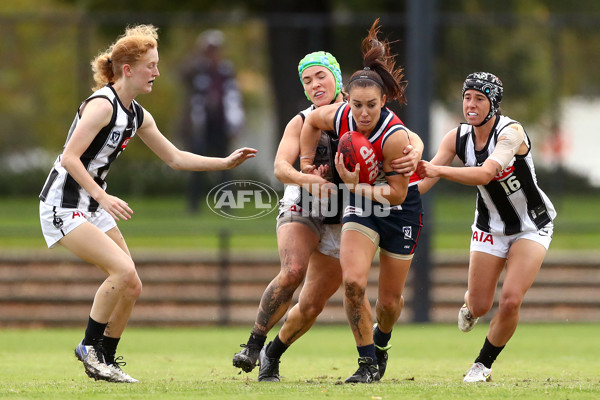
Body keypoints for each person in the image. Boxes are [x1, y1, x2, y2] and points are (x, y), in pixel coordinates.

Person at [38, 24, 256, 383]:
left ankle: (104, 360)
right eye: (150, 65)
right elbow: (69, 158)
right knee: (121, 272)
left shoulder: (137, 114)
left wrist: (224, 162)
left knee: (133, 284)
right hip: (62, 205)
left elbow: (175, 157)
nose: (157, 72)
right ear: (128, 69)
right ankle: (89, 347)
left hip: (90, 205)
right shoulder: (101, 105)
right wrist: (103, 196)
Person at [232, 50, 422, 381]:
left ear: (337, 80)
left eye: (321, 76)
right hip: (307, 202)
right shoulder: (309, 118)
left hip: (348, 207)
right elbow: (280, 167)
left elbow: (402, 136)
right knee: (293, 271)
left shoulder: (362, 111)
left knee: (312, 304)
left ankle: (271, 354)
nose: (315, 84)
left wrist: (415, 148)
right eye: (307, 80)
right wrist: (307, 172)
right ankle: (253, 344)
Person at [298, 19, 424, 384]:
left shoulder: (395, 138)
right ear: (347, 101)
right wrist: (307, 164)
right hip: (362, 206)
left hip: (399, 209)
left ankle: (381, 345)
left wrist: (354, 185)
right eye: (357, 105)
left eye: (371, 105)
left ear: (384, 101)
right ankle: (367, 362)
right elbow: (310, 123)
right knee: (353, 283)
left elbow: (398, 193)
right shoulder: (338, 115)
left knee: (388, 303)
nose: (363, 113)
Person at [416, 72, 556, 382]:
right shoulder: (456, 137)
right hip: (489, 226)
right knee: (479, 304)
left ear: (494, 104)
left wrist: (437, 169)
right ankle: (471, 305)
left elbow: (484, 174)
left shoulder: (511, 132)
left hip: (531, 224)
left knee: (510, 299)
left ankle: (482, 364)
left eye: (480, 98)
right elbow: (426, 179)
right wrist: (392, 195)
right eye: (467, 97)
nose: (471, 104)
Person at [178, 29, 245, 213]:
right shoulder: (196, 69)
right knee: (196, 163)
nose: (213, 53)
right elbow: (183, 76)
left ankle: (226, 203)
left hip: (220, 124)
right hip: (200, 125)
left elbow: (233, 96)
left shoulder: (226, 70)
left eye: (215, 49)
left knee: (226, 165)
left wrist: (236, 122)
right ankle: (194, 205)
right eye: (209, 49)